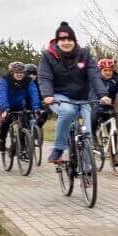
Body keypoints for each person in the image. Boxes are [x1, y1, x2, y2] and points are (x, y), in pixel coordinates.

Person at [37, 21, 108, 163]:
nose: (66, 43)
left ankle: (87, 170)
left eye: (69, 39)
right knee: (68, 111)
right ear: (58, 41)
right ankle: (58, 149)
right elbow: (45, 78)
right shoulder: (48, 56)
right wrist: (47, 95)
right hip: (58, 96)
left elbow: (94, 75)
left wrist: (103, 94)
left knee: (87, 133)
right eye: (62, 40)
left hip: (82, 98)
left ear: (74, 41)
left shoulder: (84, 54)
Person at [0, 62, 41, 152]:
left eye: (21, 73)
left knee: (23, 124)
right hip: (5, 105)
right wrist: (5, 108)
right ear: (12, 72)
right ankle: (2, 141)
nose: (19, 75)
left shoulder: (28, 81)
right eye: (17, 73)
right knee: (6, 122)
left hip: (19, 105)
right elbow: (2, 94)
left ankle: (21, 146)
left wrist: (36, 107)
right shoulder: (4, 80)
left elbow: (34, 93)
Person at [91, 57, 118, 138]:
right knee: (94, 117)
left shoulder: (116, 80)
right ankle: (93, 136)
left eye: (110, 70)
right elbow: (91, 94)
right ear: (100, 71)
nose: (108, 72)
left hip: (109, 105)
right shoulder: (95, 79)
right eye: (105, 70)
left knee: (114, 123)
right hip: (96, 103)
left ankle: (114, 147)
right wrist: (97, 103)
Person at [25, 65, 50, 129]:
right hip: (24, 103)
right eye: (29, 74)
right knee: (24, 115)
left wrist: (45, 99)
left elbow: (43, 93)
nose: (32, 76)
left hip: (36, 103)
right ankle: (23, 131)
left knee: (47, 111)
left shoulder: (40, 82)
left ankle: (37, 127)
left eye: (34, 74)